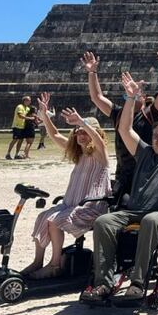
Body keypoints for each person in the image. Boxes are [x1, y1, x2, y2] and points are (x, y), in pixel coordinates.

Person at [80, 73, 158, 305]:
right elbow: (124, 129)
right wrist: (130, 98)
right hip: (133, 211)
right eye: (157, 136)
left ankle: (138, 282)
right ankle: (103, 283)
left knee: (150, 220)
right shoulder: (144, 152)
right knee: (103, 221)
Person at [21, 93, 110, 279]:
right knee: (43, 217)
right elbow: (54, 134)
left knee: (55, 221)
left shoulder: (100, 155)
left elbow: (98, 140)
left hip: (90, 208)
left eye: (85, 132)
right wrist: (44, 115)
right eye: (78, 131)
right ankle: (38, 261)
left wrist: (82, 122)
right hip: (71, 205)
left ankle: (55, 265)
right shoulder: (79, 154)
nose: (80, 135)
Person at [81, 47, 158, 199]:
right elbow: (96, 97)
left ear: (144, 98)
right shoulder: (119, 114)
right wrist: (92, 72)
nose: (133, 94)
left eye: (137, 92)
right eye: (129, 93)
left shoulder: (150, 114)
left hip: (146, 174)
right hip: (123, 176)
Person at [5, 95, 32, 160]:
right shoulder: (19, 106)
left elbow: (31, 115)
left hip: (23, 127)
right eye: (28, 100)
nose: (30, 101)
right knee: (15, 140)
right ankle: (8, 154)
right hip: (17, 126)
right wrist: (30, 118)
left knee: (20, 140)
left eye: (30, 100)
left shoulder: (28, 108)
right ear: (24, 101)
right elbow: (20, 116)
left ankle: (16, 154)